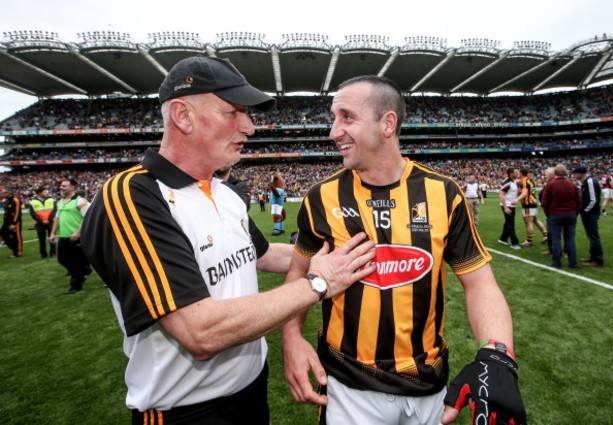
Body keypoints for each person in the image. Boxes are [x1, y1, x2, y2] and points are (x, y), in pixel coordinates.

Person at [79, 56, 377, 425]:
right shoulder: (132, 197)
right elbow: (200, 332)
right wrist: (318, 282)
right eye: (233, 112)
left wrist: (337, 250)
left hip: (251, 391)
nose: (249, 127)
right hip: (187, 412)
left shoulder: (224, 192)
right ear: (182, 116)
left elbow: (264, 255)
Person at [281, 76, 525, 425]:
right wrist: (290, 338)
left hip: (427, 386)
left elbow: (479, 283)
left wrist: (498, 353)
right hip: (348, 386)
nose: (334, 131)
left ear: (387, 123)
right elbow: (298, 271)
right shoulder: (320, 197)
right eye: (334, 118)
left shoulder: (445, 194)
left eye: (347, 117)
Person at [49, 178, 92, 293]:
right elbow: (57, 219)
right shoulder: (60, 202)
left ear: (72, 187)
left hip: (75, 237)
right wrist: (53, 233)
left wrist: (77, 232)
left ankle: (76, 285)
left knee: (75, 261)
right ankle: (84, 270)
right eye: (61, 186)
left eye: (64, 186)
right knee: (62, 259)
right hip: (64, 236)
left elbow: (86, 217)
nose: (61, 188)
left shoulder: (80, 201)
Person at [541, 165, 582, 269]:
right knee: (570, 239)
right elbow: (579, 202)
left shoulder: (550, 185)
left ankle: (557, 262)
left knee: (556, 239)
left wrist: (548, 214)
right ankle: (573, 263)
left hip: (555, 215)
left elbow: (544, 203)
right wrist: (575, 213)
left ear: (554, 173)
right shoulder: (572, 185)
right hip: (570, 215)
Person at [572, 166, 604, 267]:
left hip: (590, 213)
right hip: (589, 212)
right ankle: (593, 256)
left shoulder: (590, 182)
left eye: (575, 173)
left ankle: (597, 260)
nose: (573, 175)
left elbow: (593, 200)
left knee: (593, 236)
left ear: (580, 173)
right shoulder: (587, 182)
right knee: (591, 235)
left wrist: (585, 211)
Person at [518, 168, 547, 246]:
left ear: (520, 173)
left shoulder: (524, 181)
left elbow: (524, 193)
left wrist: (517, 199)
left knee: (528, 223)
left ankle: (529, 241)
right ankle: (545, 235)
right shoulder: (529, 180)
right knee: (536, 220)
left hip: (528, 204)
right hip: (533, 202)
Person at [29, 187, 57, 259]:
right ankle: (43, 254)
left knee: (52, 238)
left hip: (50, 222)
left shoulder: (51, 200)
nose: (46, 193)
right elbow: (33, 213)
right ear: (39, 193)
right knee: (41, 239)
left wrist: (49, 219)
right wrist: (41, 220)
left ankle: (53, 253)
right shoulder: (33, 202)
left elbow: (54, 210)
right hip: (39, 223)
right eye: (44, 192)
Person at [498, 167, 521, 249]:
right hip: (508, 205)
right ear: (511, 174)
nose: (518, 173)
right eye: (516, 172)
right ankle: (515, 243)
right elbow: (501, 195)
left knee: (508, 222)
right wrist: (506, 208)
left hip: (511, 205)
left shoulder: (513, 181)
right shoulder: (507, 182)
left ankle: (503, 239)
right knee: (511, 224)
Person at [1, 189, 22, 258]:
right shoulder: (6, 201)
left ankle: (18, 252)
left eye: (4, 193)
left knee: (16, 236)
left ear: (8, 193)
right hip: (7, 222)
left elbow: (17, 212)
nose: (2, 194)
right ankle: (14, 247)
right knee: (3, 233)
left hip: (14, 222)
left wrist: (14, 223)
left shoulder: (15, 200)